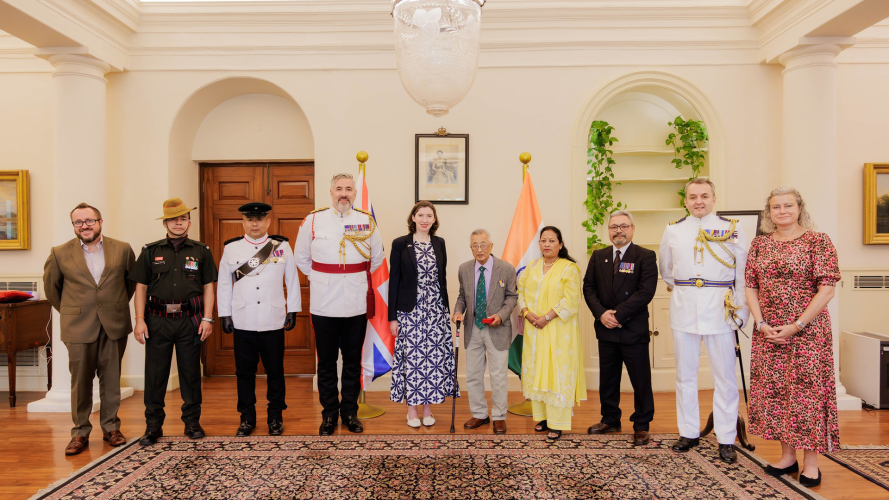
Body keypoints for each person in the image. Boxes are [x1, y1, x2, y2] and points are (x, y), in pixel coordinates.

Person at [745, 186, 840, 487]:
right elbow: (750, 286)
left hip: (808, 332)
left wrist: (797, 325)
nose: (782, 211)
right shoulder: (759, 244)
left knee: (808, 395)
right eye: (776, 207)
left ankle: (811, 463)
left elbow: (827, 289)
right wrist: (760, 324)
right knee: (776, 394)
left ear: (800, 208)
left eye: (788, 205)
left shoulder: (818, 241)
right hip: (768, 332)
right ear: (768, 212)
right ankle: (787, 457)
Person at [658, 178, 749, 464]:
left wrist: (741, 311)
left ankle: (725, 438)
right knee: (685, 375)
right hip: (685, 308)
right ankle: (688, 432)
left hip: (721, 310)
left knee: (724, 377)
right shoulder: (673, 230)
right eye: (693, 196)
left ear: (714, 198)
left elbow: (743, 273)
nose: (699, 201)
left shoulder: (731, 229)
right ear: (685, 200)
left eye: (704, 196)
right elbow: (666, 269)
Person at [43, 203, 136, 456]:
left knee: (111, 380)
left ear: (100, 221)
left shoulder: (123, 249)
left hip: (114, 325)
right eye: (78, 222)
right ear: (73, 225)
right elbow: (53, 290)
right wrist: (76, 311)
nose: (84, 226)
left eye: (89, 221)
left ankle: (111, 428)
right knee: (80, 382)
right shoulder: (59, 253)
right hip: (78, 327)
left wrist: (111, 308)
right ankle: (80, 433)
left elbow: (130, 285)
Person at [294, 173, 384, 436]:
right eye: (338, 189)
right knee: (326, 363)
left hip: (355, 304)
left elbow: (376, 258)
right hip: (324, 305)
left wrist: (352, 279)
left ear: (355, 193)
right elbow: (301, 258)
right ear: (331, 192)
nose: (343, 193)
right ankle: (329, 415)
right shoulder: (313, 220)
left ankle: (350, 413)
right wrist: (321, 278)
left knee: (353, 362)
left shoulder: (366, 221)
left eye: (348, 189)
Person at [129, 198, 218, 446]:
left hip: (190, 320)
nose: (178, 223)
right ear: (165, 223)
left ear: (189, 222)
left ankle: (192, 423)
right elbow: (141, 288)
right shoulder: (150, 251)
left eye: (183, 218)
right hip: (157, 320)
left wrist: (208, 318)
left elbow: (209, 287)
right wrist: (139, 320)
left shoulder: (202, 251)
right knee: (155, 375)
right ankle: (153, 427)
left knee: (190, 375)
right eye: (173, 219)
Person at [217, 202, 301, 437]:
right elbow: (224, 283)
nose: (255, 223)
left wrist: (293, 309)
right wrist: (225, 314)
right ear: (243, 222)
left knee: (275, 371)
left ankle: (275, 417)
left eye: (260, 219)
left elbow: (292, 279)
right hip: (243, 318)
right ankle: (247, 418)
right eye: (250, 219)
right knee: (244, 372)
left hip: (272, 319)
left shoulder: (281, 246)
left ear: (268, 222)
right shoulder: (232, 248)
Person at [582, 210, 657, 446]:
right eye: (614, 227)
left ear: (632, 229)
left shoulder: (644, 256)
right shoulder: (598, 256)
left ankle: (642, 424)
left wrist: (619, 315)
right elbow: (589, 289)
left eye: (624, 226)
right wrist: (602, 314)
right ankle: (610, 419)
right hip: (606, 328)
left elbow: (646, 292)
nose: (619, 231)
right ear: (608, 231)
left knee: (640, 379)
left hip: (632, 328)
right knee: (609, 378)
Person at [388, 201, 457, 428]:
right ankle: (412, 412)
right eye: (421, 215)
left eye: (429, 215)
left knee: (433, 361)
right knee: (414, 361)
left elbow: (442, 278)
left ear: (434, 220)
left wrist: (446, 311)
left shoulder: (440, 243)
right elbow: (394, 281)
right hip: (409, 312)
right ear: (413, 218)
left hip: (436, 311)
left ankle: (428, 411)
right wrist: (392, 317)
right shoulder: (400, 244)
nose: (425, 219)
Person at [517, 226, 586, 440]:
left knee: (556, 373)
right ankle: (544, 418)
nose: (547, 244)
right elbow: (520, 290)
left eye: (551, 240)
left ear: (560, 244)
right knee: (538, 371)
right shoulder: (532, 266)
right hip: (534, 330)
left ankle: (557, 423)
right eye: (543, 240)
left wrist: (546, 317)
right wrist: (527, 313)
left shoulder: (569, 268)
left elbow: (572, 300)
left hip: (558, 331)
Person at [452, 229, 517, 435]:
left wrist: (501, 315)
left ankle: (499, 416)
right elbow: (462, 296)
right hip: (473, 329)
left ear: (491, 246)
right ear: (470, 248)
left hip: (497, 328)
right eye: (474, 245)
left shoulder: (506, 268)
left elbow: (512, 297)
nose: (479, 249)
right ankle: (480, 413)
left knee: (498, 376)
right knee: (472, 375)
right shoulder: (464, 269)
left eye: (483, 244)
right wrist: (457, 312)